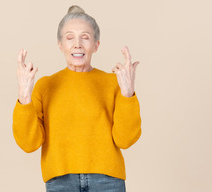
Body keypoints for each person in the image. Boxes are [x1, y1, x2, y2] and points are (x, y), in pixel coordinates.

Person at [12, 5, 142, 192]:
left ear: (96, 45)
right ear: (60, 44)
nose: (78, 44)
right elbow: (28, 144)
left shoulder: (115, 83)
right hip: (60, 182)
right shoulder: (45, 86)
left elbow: (126, 140)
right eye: (70, 37)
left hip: (108, 181)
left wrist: (128, 93)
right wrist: (24, 96)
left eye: (86, 37)